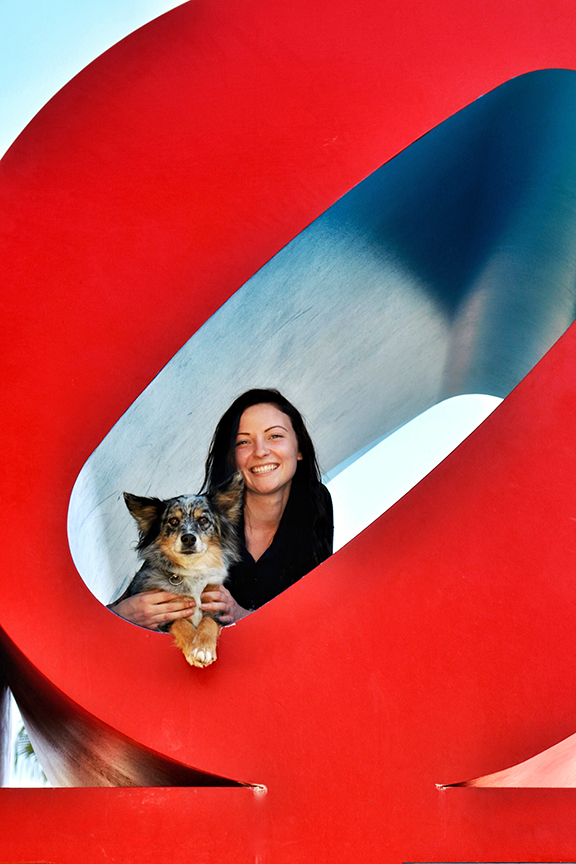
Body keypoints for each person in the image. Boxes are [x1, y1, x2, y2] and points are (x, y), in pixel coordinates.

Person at [110, 388, 333, 629]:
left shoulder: (315, 503)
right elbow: (126, 602)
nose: (260, 451)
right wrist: (125, 612)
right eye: (243, 442)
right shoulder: (202, 516)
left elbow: (316, 616)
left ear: (299, 448)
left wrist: (241, 614)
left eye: (275, 436)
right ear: (231, 457)